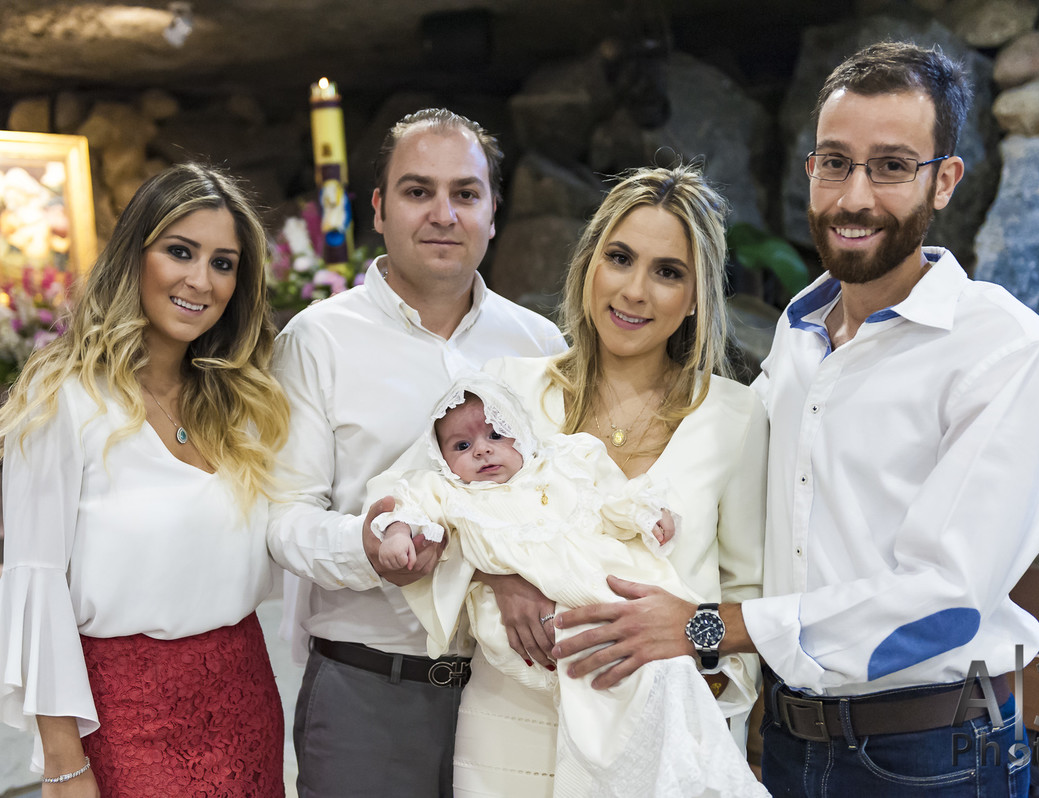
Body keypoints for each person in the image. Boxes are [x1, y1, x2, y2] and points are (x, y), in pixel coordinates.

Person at [552, 42, 1039, 797]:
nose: (854, 195)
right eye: (835, 162)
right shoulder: (799, 332)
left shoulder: (998, 345)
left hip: (936, 753)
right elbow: (715, 473)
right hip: (791, 743)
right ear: (810, 172)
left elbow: (946, 603)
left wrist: (706, 625)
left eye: (891, 166)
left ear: (945, 181)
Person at [266, 108, 565, 798]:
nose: (443, 213)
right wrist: (365, 546)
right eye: (417, 191)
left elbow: (558, 495)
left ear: (493, 212)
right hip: (372, 695)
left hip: (515, 692)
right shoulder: (318, 341)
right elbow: (284, 517)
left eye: (465, 193)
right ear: (378, 208)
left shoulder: (540, 346)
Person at [0, 162, 291, 796]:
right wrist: (65, 764)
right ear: (134, 255)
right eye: (180, 252)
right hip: (126, 718)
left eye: (223, 263)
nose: (201, 280)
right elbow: (37, 590)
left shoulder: (237, 401)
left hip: (245, 696)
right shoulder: (61, 398)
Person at [444, 163, 768, 796]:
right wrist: (497, 573)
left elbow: (753, 599)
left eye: (668, 272)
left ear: (697, 295)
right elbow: (426, 513)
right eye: (620, 258)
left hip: (662, 743)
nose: (635, 291)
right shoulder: (507, 392)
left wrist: (702, 666)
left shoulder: (736, 415)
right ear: (590, 264)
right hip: (512, 736)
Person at [367, 375, 767, 797]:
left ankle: (681, 770)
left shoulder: (560, 466)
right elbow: (407, 505)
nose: (482, 449)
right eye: (461, 447)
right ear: (442, 458)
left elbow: (611, 504)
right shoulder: (449, 490)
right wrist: (396, 535)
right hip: (521, 670)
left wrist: (646, 516)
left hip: (601, 596)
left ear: (520, 432)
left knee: (651, 672)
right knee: (600, 677)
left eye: (496, 434)